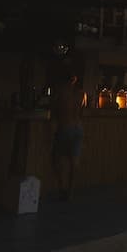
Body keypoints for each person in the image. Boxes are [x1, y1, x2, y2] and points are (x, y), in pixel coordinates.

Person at [51, 68, 85, 200]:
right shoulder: (81, 93)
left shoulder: (60, 92)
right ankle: (70, 191)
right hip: (78, 127)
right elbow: (82, 110)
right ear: (74, 80)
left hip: (65, 126)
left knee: (57, 158)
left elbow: (54, 110)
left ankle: (61, 188)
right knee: (74, 161)